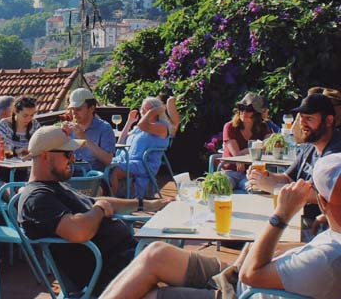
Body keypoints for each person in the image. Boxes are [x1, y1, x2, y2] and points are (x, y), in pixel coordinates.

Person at [99, 153, 341, 299]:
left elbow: (252, 275)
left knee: (146, 295)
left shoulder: (329, 258)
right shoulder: (333, 239)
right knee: (156, 252)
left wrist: (281, 215)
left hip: (244, 292)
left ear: (321, 201)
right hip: (241, 277)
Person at [18, 126, 139, 295]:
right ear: (45, 156)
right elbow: (78, 231)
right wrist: (99, 210)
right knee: (159, 254)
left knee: (164, 257)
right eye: (68, 154)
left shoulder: (55, 186)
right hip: (109, 275)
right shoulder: (37, 198)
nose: (73, 158)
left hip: (128, 260)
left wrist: (143, 204)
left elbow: (94, 201)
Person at [248, 93, 341, 233]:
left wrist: (274, 187)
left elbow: (318, 193)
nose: (302, 123)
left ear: (328, 121)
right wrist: (264, 176)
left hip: (319, 226)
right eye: (301, 118)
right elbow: (288, 178)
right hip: (296, 218)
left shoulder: (335, 153)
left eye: (309, 118)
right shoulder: (310, 145)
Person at [111, 97, 171, 198]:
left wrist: (151, 112)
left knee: (114, 171)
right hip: (128, 161)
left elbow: (142, 125)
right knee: (103, 163)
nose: (142, 111)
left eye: (146, 109)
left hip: (143, 164)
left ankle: (113, 201)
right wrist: (129, 121)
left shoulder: (161, 127)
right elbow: (121, 141)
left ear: (154, 112)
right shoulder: (138, 128)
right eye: (141, 108)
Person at [221, 92, 272, 191]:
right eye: (241, 108)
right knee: (223, 188)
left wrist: (266, 144)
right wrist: (256, 148)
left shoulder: (263, 127)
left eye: (248, 109)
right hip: (230, 172)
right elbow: (237, 155)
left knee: (257, 190)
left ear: (256, 113)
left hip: (251, 174)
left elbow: (269, 145)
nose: (243, 112)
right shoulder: (230, 127)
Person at [66, 88, 116, 174]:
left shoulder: (104, 128)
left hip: (94, 177)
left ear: (91, 109)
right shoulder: (69, 128)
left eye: (78, 109)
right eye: (72, 109)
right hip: (70, 175)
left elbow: (108, 160)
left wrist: (84, 138)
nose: (74, 113)